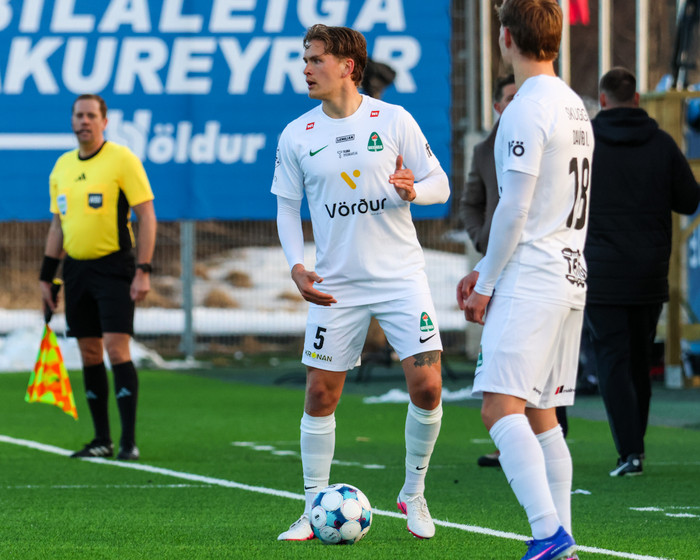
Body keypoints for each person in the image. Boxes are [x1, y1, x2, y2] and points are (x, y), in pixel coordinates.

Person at [271, 24, 450, 541]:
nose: (306, 69)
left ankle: (414, 492)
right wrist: (296, 265)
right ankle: (312, 508)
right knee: (320, 395)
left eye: (316, 59)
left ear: (347, 66)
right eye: (305, 60)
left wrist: (413, 191)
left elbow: (439, 183)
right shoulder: (297, 134)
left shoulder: (392, 120)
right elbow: (287, 207)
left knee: (428, 386)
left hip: (400, 278)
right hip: (336, 285)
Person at [456, 1, 592, 559]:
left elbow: (514, 209)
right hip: (568, 272)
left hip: (531, 276)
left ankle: (548, 534)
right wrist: (487, 270)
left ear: (506, 38)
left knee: (498, 407)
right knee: (542, 415)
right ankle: (564, 543)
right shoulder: (574, 104)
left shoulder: (525, 106)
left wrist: (487, 281)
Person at [584, 67, 700, 477]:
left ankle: (629, 450)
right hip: (649, 271)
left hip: (601, 271)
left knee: (612, 360)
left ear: (602, 100)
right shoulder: (662, 143)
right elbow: (689, 201)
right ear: (636, 99)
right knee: (638, 359)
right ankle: (637, 447)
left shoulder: (586, 143)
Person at [39, 94, 157, 461]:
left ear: (104, 122)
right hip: (76, 271)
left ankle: (128, 442)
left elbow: (147, 216)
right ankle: (101, 439)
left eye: (91, 115)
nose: (84, 121)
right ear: (72, 120)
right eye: (79, 115)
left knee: (116, 349)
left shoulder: (122, 159)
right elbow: (57, 226)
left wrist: (143, 270)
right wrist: (46, 277)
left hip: (114, 268)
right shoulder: (62, 166)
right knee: (88, 352)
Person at [461, 74, 516, 255]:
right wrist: (482, 240)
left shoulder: (548, 144)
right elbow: (471, 204)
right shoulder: (484, 151)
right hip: (497, 257)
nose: (517, 103)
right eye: (510, 98)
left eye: (521, 97)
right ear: (498, 107)